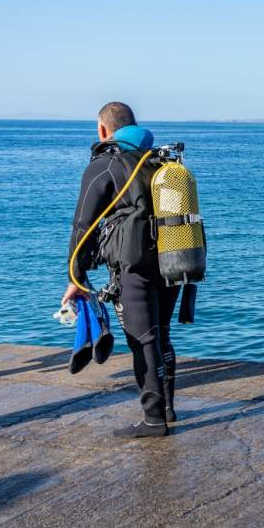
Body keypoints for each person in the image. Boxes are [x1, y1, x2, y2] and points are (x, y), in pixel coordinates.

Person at [62, 102, 180, 438]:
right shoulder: (158, 160)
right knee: (161, 334)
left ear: (102, 130)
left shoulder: (104, 164)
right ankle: (168, 407)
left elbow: (82, 225)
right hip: (172, 260)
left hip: (134, 266)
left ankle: (154, 420)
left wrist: (76, 277)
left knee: (143, 340)